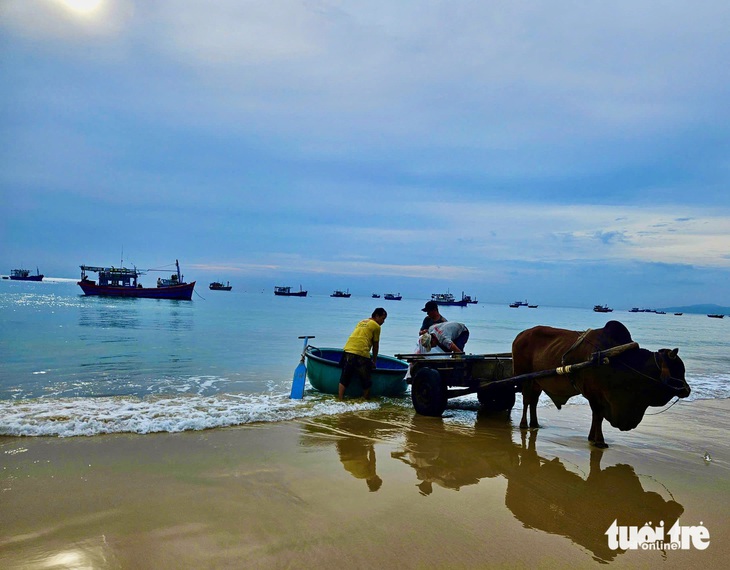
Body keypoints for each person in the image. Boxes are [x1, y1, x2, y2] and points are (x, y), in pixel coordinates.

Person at [339, 307, 388, 400]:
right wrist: (374, 361)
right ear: (377, 316)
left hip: (348, 350)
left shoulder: (361, 322)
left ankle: (340, 399)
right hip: (361, 353)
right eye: (383, 318)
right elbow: (375, 345)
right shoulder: (376, 326)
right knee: (366, 380)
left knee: (344, 377)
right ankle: (366, 400)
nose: (383, 322)